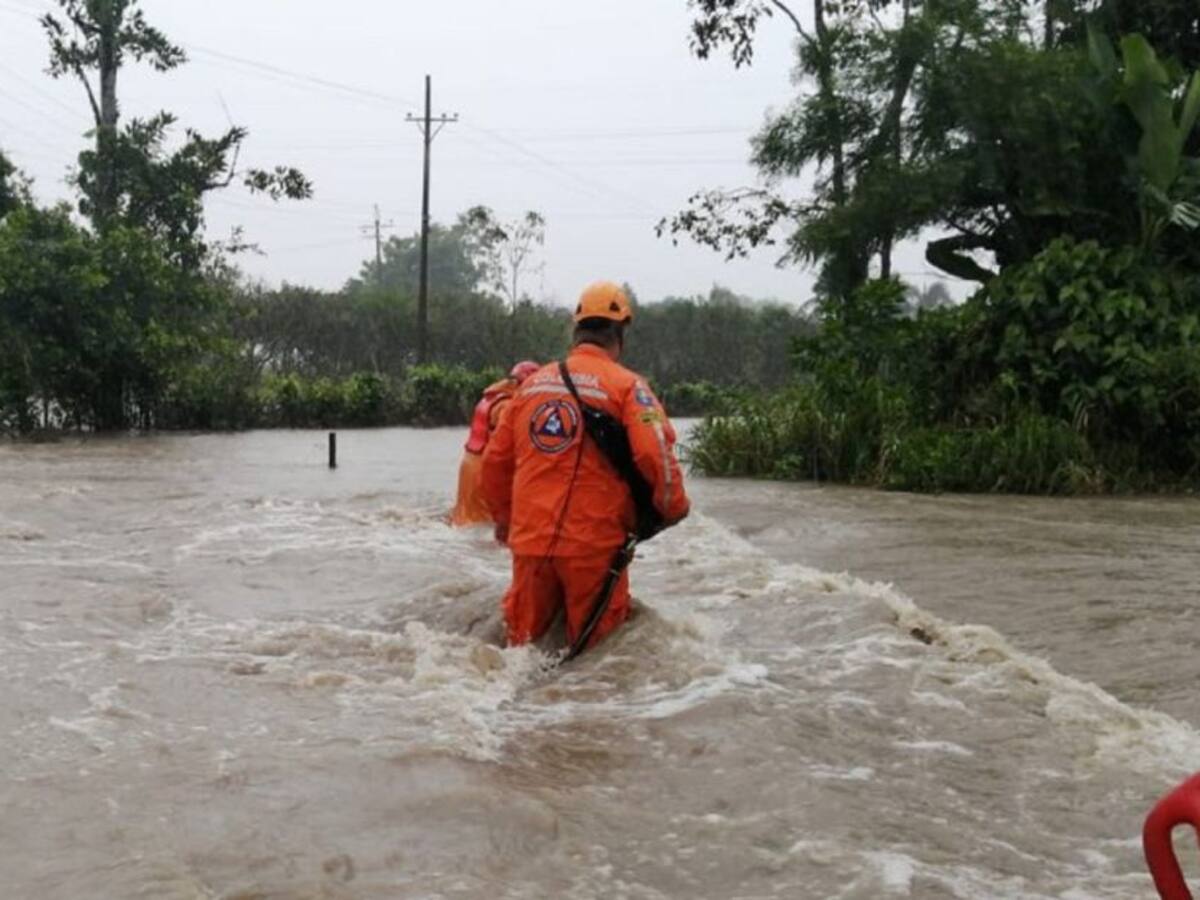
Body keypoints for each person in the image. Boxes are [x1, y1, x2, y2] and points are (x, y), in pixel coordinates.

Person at [481, 281, 690, 654]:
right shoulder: (628, 387)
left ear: (577, 332)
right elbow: (653, 452)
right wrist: (674, 507)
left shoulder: (530, 387)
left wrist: (506, 521)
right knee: (598, 661)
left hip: (530, 543)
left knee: (521, 654)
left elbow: (496, 463)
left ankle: (514, 714)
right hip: (592, 547)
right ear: (619, 332)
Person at [449, 360, 540, 527]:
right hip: (484, 470)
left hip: (469, 466)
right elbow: (513, 443)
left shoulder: (492, 397)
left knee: (468, 519)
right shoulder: (506, 406)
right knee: (487, 525)